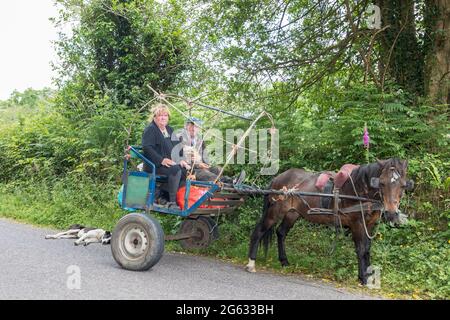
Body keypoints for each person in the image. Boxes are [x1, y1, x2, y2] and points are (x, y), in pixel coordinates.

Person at [142, 104, 190, 208]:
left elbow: (178, 147)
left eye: (165, 115)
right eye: (160, 115)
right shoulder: (151, 129)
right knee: (176, 170)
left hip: (168, 164)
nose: (163, 118)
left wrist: (181, 159)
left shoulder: (169, 129)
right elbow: (147, 148)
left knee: (184, 171)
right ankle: (172, 202)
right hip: (154, 165)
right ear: (154, 117)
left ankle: (164, 194)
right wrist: (161, 160)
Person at [178, 117, 245, 184]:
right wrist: (198, 165)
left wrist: (205, 164)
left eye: (196, 126)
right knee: (205, 173)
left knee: (217, 169)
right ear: (186, 126)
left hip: (199, 167)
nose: (194, 128)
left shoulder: (200, 140)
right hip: (188, 169)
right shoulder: (180, 138)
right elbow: (180, 158)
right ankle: (230, 181)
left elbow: (205, 157)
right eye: (192, 126)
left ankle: (227, 182)